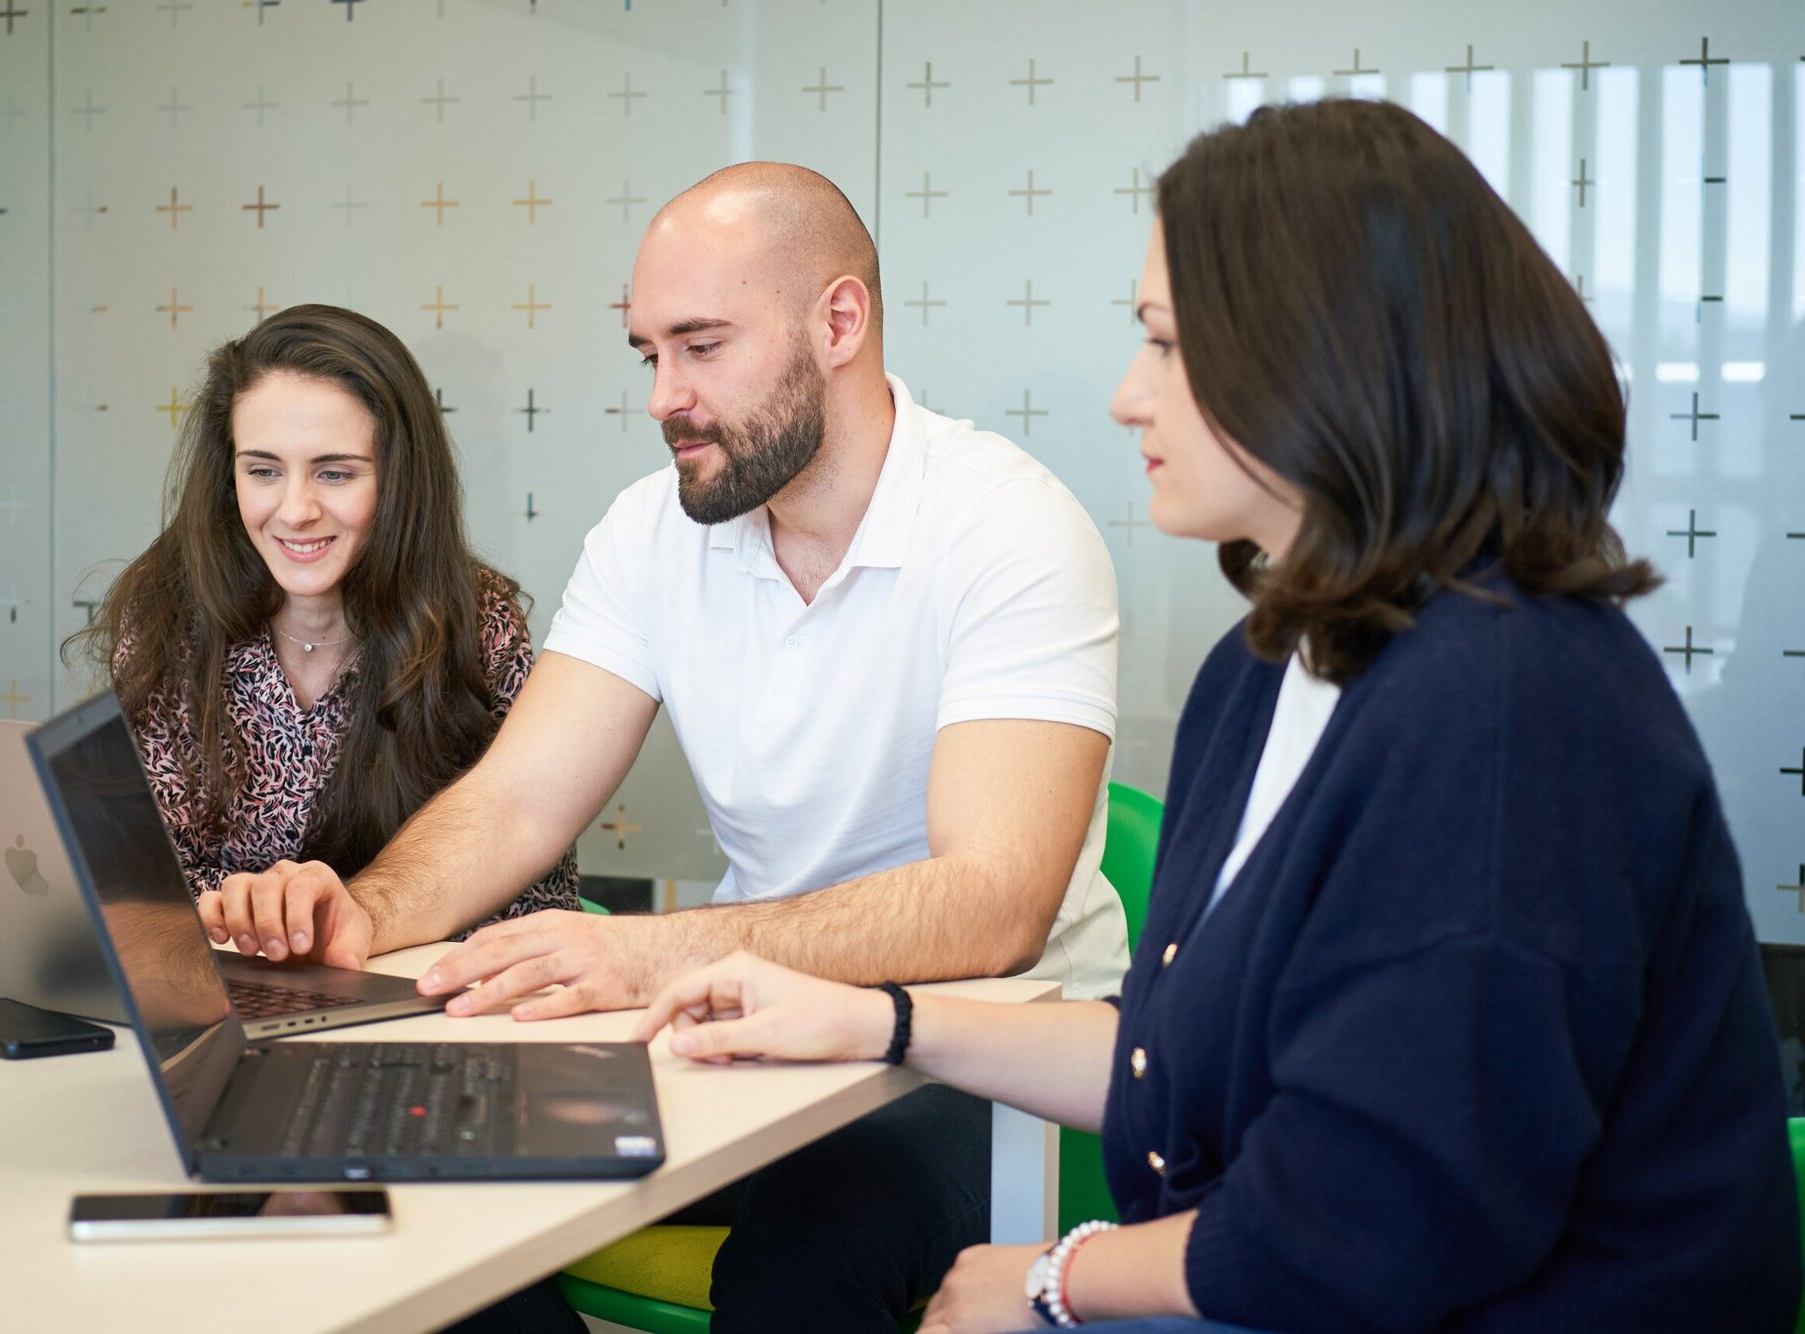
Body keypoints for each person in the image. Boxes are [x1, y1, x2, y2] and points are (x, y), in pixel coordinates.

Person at [631, 100, 1803, 1333]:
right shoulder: (1267, 663)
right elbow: (1175, 1057)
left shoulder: (1512, 704)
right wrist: (876, 1017)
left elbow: (1379, 1223)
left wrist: (1050, 1277)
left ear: (1332, 359)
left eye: (1166, 345)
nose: (1129, 399)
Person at [200, 165, 1128, 1330]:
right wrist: (368, 915)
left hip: (973, 1054)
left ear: (837, 323)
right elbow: (518, 800)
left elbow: (993, 904)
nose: (662, 396)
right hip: (747, 1037)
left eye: (701, 346)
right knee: (423, 1200)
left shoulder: (1006, 527)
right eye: (649, 352)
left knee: (803, 1263)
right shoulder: (652, 531)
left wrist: (655, 953)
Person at [70, 304, 578, 941]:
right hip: (223, 987)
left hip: (413, 1004)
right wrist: (253, 921)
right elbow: (139, 881)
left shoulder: (478, 625)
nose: (295, 509)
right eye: (263, 471)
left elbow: (528, 897)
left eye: (334, 473)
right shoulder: (168, 617)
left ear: (399, 481)